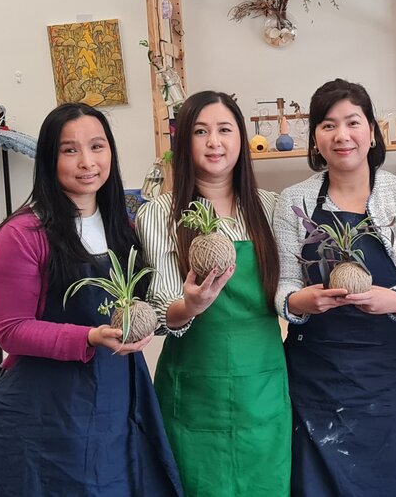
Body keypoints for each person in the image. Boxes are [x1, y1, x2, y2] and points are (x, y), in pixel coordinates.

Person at [0, 103, 182, 496]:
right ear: (49, 158)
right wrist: (89, 337)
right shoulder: (22, 235)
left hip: (119, 406)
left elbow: (147, 305)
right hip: (47, 418)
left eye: (97, 146)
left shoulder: (125, 226)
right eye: (70, 150)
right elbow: (11, 331)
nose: (87, 162)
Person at [273, 78, 396, 497]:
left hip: (392, 375)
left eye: (353, 122)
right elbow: (283, 287)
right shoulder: (293, 201)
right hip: (317, 376)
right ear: (315, 137)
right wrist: (301, 302)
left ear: (371, 131)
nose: (342, 135)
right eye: (328, 125)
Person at [136, 91, 290, 496]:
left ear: (241, 138)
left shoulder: (270, 207)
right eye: (200, 131)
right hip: (193, 388)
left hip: (264, 388)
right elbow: (161, 311)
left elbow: (290, 291)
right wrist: (190, 305)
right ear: (183, 142)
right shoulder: (159, 212)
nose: (214, 142)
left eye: (225, 130)